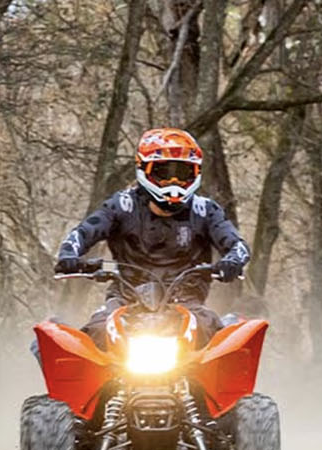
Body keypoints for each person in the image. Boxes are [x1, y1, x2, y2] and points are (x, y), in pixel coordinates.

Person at [54, 127, 250, 348]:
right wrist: (68, 255)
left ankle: (219, 382)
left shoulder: (205, 211)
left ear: (195, 174)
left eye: (182, 173)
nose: (173, 181)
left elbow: (238, 246)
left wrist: (231, 262)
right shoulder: (122, 206)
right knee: (96, 334)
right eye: (164, 173)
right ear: (144, 170)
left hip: (187, 303)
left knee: (217, 338)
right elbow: (82, 233)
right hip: (125, 301)